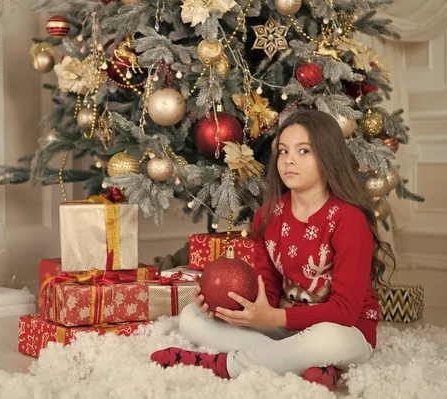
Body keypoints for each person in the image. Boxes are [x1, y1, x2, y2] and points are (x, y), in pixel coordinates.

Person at [150, 110, 395, 391]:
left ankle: (223, 365)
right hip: (285, 327)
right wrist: (225, 305)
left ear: (328, 158)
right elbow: (265, 289)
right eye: (283, 151)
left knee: (330, 340)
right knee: (193, 318)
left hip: (344, 331)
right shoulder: (269, 215)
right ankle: (308, 366)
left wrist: (273, 317)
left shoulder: (348, 219)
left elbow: (345, 313)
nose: (289, 160)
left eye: (304, 151)